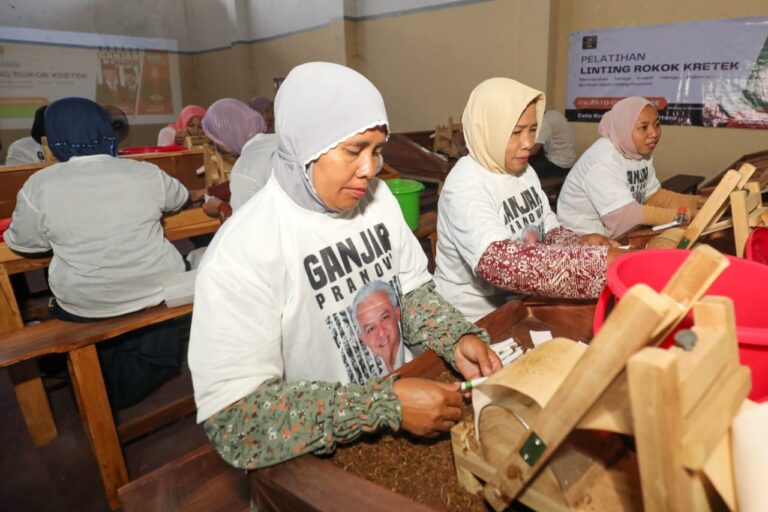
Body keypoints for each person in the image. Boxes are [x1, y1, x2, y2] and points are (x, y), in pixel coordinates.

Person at [189, 62, 502, 471]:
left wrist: (454, 337)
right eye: (354, 151)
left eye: (377, 150)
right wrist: (384, 404)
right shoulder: (244, 252)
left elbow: (411, 293)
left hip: (402, 410)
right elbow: (237, 422)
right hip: (318, 454)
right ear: (304, 146)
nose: (370, 169)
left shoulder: (378, 201)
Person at [4, 97, 193, 408]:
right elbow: (180, 197)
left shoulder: (40, 185)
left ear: (52, 139)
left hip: (88, 303)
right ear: (107, 130)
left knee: (65, 303)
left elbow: (24, 244)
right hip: (161, 289)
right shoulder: (143, 172)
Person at [433, 78, 624, 322]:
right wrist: (598, 265)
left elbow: (548, 230)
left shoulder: (524, 171)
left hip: (519, 303)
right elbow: (500, 263)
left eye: (532, 130)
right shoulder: (465, 183)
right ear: (488, 129)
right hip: (473, 320)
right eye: (515, 132)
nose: (528, 143)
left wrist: (579, 243)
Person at [557, 97, 701, 237]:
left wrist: (698, 202)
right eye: (643, 127)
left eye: (657, 124)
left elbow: (652, 195)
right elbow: (626, 216)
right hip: (581, 240)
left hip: (615, 236)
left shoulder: (638, 152)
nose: (654, 133)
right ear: (623, 127)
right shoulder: (604, 160)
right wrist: (687, 216)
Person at [198, 98, 270, 219]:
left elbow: (245, 226)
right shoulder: (276, 142)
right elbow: (256, 182)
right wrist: (206, 192)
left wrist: (220, 207)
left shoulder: (244, 167)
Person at [352, 281, 404, 374]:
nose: (381, 332)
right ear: (364, 339)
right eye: (371, 329)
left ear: (397, 314)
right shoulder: (380, 382)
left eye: (385, 318)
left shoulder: (422, 355)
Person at [529, 110, 577, 178]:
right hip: (570, 162)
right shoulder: (554, 114)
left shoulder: (545, 123)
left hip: (560, 166)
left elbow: (533, 151)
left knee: (526, 171)